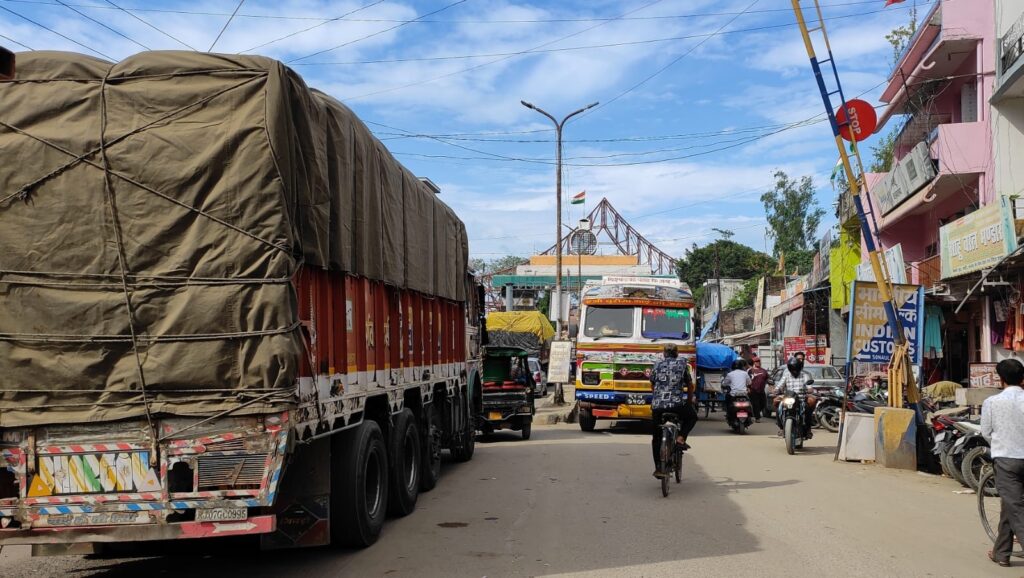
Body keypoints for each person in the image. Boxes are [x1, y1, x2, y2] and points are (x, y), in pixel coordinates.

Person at [981, 358, 1024, 568]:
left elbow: (986, 432)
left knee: (1015, 508)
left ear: (1001, 379)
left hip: (1006, 460)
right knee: (1011, 504)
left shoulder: (992, 402)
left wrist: (1002, 443)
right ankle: (1001, 553)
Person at [649, 343, 697, 479]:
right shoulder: (682, 364)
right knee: (692, 417)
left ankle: (659, 467)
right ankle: (681, 438)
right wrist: (688, 402)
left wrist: (657, 398)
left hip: (658, 406)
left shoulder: (657, 364)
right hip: (677, 404)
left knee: (656, 437)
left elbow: (652, 384)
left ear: (664, 353)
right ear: (676, 353)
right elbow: (689, 385)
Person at [775, 356, 815, 439]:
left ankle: (808, 429)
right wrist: (776, 390)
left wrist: (810, 389)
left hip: (801, 398)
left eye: (796, 368)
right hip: (788, 398)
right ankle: (781, 427)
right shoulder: (786, 375)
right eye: (792, 369)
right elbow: (779, 385)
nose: (794, 371)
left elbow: (809, 386)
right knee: (776, 402)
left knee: (809, 407)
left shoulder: (804, 375)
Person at [722, 359, 751, 424]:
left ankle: (728, 413)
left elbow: (724, 384)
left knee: (727, 400)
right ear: (741, 366)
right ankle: (751, 416)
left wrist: (724, 385)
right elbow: (749, 382)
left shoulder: (730, 374)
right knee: (750, 401)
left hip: (733, 394)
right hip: (744, 394)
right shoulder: (745, 373)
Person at [748, 358, 770, 422]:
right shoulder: (750, 371)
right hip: (753, 390)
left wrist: (772, 387)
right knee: (756, 404)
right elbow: (747, 380)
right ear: (754, 363)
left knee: (763, 404)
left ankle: (755, 413)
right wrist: (748, 388)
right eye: (756, 361)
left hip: (761, 391)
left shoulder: (764, 371)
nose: (758, 362)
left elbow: (768, 379)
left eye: (759, 361)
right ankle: (757, 418)